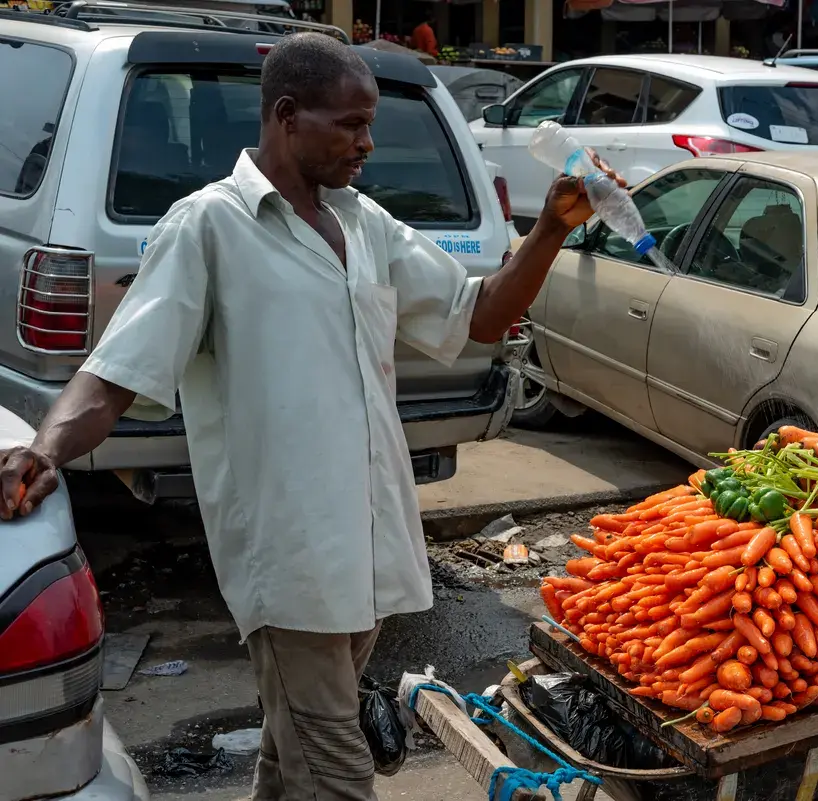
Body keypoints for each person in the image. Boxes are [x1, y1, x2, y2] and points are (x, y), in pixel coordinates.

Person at [0, 32, 621, 801]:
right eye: (350, 124)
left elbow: (480, 314)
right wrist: (47, 448)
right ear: (287, 116)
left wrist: (551, 228)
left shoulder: (363, 222)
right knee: (336, 775)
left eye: (370, 125)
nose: (367, 143)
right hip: (288, 564)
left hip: (367, 553)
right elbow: (114, 374)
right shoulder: (208, 227)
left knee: (288, 759)